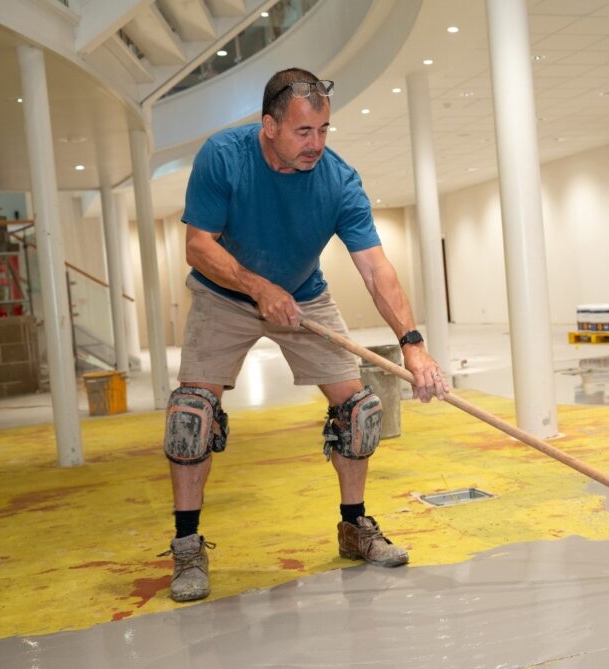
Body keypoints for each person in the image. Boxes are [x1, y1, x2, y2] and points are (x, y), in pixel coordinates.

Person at [160, 67, 449, 602]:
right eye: (303, 132)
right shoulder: (223, 156)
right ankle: (186, 545)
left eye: (323, 131)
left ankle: (353, 526)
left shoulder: (339, 180)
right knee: (190, 418)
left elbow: (375, 268)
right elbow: (198, 246)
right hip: (224, 293)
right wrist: (255, 286)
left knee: (360, 412)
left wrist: (413, 342)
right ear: (269, 125)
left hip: (303, 295)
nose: (316, 144)